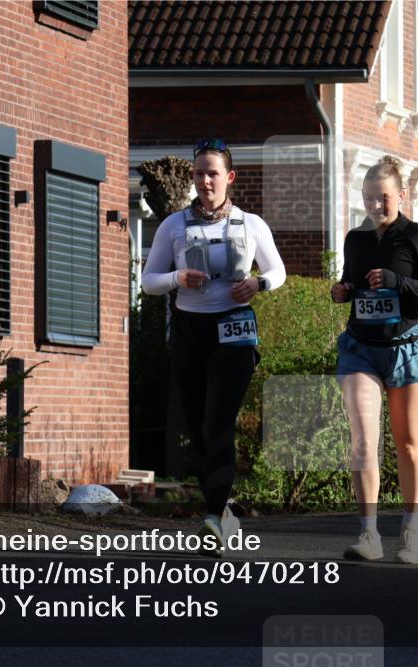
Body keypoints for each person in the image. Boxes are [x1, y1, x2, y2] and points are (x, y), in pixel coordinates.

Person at [142, 138, 286, 557]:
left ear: (229, 178)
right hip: (190, 330)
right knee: (198, 425)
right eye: (200, 173)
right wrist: (176, 279)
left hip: (235, 329)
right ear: (192, 177)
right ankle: (224, 512)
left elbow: (277, 270)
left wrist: (258, 283)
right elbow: (149, 281)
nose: (205, 180)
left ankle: (211, 515)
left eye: (213, 173)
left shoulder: (250, 223)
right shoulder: (174, 226)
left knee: (219, 420)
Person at [332, 155, 418, 565]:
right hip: (360, 349)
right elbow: (353, 281)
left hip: (406, 349)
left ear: (401, 195)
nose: (376, 206)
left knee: (407, 443)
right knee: (363, 441)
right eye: (368, 198)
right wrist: (343, 290)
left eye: (383, 198)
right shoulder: (355, 239)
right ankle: (368, 535)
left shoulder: (416, 238)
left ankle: (411, 527)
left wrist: (399, 282)